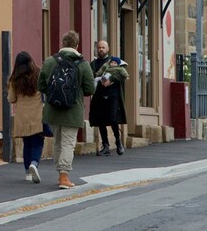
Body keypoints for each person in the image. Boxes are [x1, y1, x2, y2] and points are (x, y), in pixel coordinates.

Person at [37, 30, 95, 190]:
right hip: (73, 110)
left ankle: (60, 174)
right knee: (68, 143)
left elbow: (40, 85)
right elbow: (90, 89)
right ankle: (64, 176)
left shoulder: (50, 61)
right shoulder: (82, 64)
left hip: (53, 109)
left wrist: (54, 94)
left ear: (62, 43)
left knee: (57, 142)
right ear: (77, 45)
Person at [7, 51, 44, 183]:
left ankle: (28, 172)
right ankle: (34, 163)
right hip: (37, 115)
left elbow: (11, 99)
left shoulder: (15, 80)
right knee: (38, 142)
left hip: (22, 116)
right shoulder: (39, 74)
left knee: (27, 143)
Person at [88, 40, 128, 156]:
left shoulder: (114, 61)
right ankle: (105, 145)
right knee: (101, 120)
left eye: (103, 47)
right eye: (99, 47)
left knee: (113, 119)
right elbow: (91, 77)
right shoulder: (93, 64)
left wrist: (111, 80)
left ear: (108, 49)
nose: (101, 49)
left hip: (112, 95)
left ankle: (118, 141)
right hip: (99, 95)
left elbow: (122, 76)